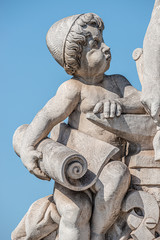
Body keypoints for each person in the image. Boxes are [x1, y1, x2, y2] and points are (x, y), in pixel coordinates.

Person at [19, 13, 145, 240]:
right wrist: (28, 148)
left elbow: (141, 100)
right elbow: (47, 116)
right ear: (76, 60)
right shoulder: (73, 89)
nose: (106, 48)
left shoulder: (117, 82)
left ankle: (97, 235)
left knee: (118, 174)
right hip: (76, 168)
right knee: (76, 212)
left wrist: (120, 103)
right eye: (95, 45)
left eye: (103, 41)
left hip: (108, 167)